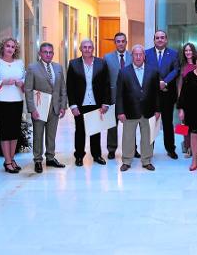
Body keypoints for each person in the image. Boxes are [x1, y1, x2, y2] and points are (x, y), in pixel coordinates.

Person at [116, 45, 161, 172]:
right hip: (130, 111)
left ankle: (146, 160)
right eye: (135, 54)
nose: (138, 57)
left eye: (140, 54)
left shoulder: (153, 71)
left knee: (147, 137)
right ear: (132, 56)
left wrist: (157, 110)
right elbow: (119, 94)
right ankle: (126, 161)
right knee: (128, 137)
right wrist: (120, 111)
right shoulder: (124, 72)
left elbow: (156, 93)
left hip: (148, 110)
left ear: (144, 56)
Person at [24, 42, 67, 173]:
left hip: (54, 106)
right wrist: (32, 109)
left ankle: (50, 157)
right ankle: (38, 160)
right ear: (40, 54)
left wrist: (63, 105)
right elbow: (28, 89)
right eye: (45, 52)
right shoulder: (32, 68)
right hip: (39, 106)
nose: (48, 54)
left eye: (50, 52)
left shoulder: (58, 67)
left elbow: (62, 89)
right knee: (38, 134)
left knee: (51, 134)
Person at [66, 39, 110, 167]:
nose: (87, 49)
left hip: (96, 103)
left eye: (89, 47)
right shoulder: (73, 64)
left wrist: (105, 103)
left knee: (96, 130)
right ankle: (79, 156)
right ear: (80, 49)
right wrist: (73, 105)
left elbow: (106, 85)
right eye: (84, 47)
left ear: (93, 49)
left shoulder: (101, 63)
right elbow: (70, 86)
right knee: (80, 131)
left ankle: (96, 155)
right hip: (80, 103)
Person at [0, 37, 25, 174]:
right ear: (2, 47)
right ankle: (7, 161)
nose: (10, 49)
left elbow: (25, 79)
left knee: (14, 132)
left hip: (17, 100)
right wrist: (3, 82)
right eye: (7, 46)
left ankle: (12, 159)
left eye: (13, 47)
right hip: (2, 101)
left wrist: (22, 83)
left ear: (16, 49)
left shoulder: (19, 63)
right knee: (4, 132)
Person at [145, 30, 180, 159]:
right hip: (151, 94)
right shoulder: (147, 53)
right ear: (154, 40)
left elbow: (176, 70)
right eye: (157, 38)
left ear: (166, 40)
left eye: (162, 38)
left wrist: (165, 82)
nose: (160, 40)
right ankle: (148, 149)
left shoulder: (174, 54)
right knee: (151, 122)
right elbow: (145, 69)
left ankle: (170, 149)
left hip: (167, 94)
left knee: (167, 122)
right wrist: (156, 82)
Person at [103, 32, 135, 160]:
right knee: (112, 125)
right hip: (112, 97)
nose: (121, 43)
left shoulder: (133, 57)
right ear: (115, 43)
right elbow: (105, 79)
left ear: (126, 42)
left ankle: (133, 149)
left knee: (131, 125)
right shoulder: (107, 57)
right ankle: (111, 149)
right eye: (118, 41)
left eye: (123, 41)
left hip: (130, 98)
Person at [179, 42, 197, 158]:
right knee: (184, 124)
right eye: (186, 50)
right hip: (185, 101)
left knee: (196, 125)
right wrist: (180, 106)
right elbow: (179, 87)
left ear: (193, 51)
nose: (188, 52)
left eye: (190, 50)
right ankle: (187, 147)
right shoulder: (182, 66)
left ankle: (195, 148)